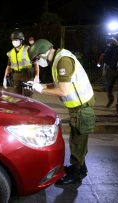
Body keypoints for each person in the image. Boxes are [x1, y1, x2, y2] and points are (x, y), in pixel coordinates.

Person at [27, 39, 96, 185]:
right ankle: (80, 169)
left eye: (38, 59)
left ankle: (76, 175)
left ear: (44, 53)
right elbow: (60, 84)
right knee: (78, 141)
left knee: (78, 142)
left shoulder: (63, 61)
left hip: (82, 108)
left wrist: (41, 90)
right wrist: (41, 85)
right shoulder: (59, 59)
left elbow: (63, 90)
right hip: (78, 107)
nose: (38, 63)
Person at [3, 31, 39, 96]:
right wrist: (5, 78)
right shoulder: (11, 53)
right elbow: (8, 66)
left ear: (21, 40)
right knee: (17, 97)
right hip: (16, 75)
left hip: (27, 75)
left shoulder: (28, 49)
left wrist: (37, 76)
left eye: (16, 40)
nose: (14, 42)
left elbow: (36, 64)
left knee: (28, 96)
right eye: (13, 40)